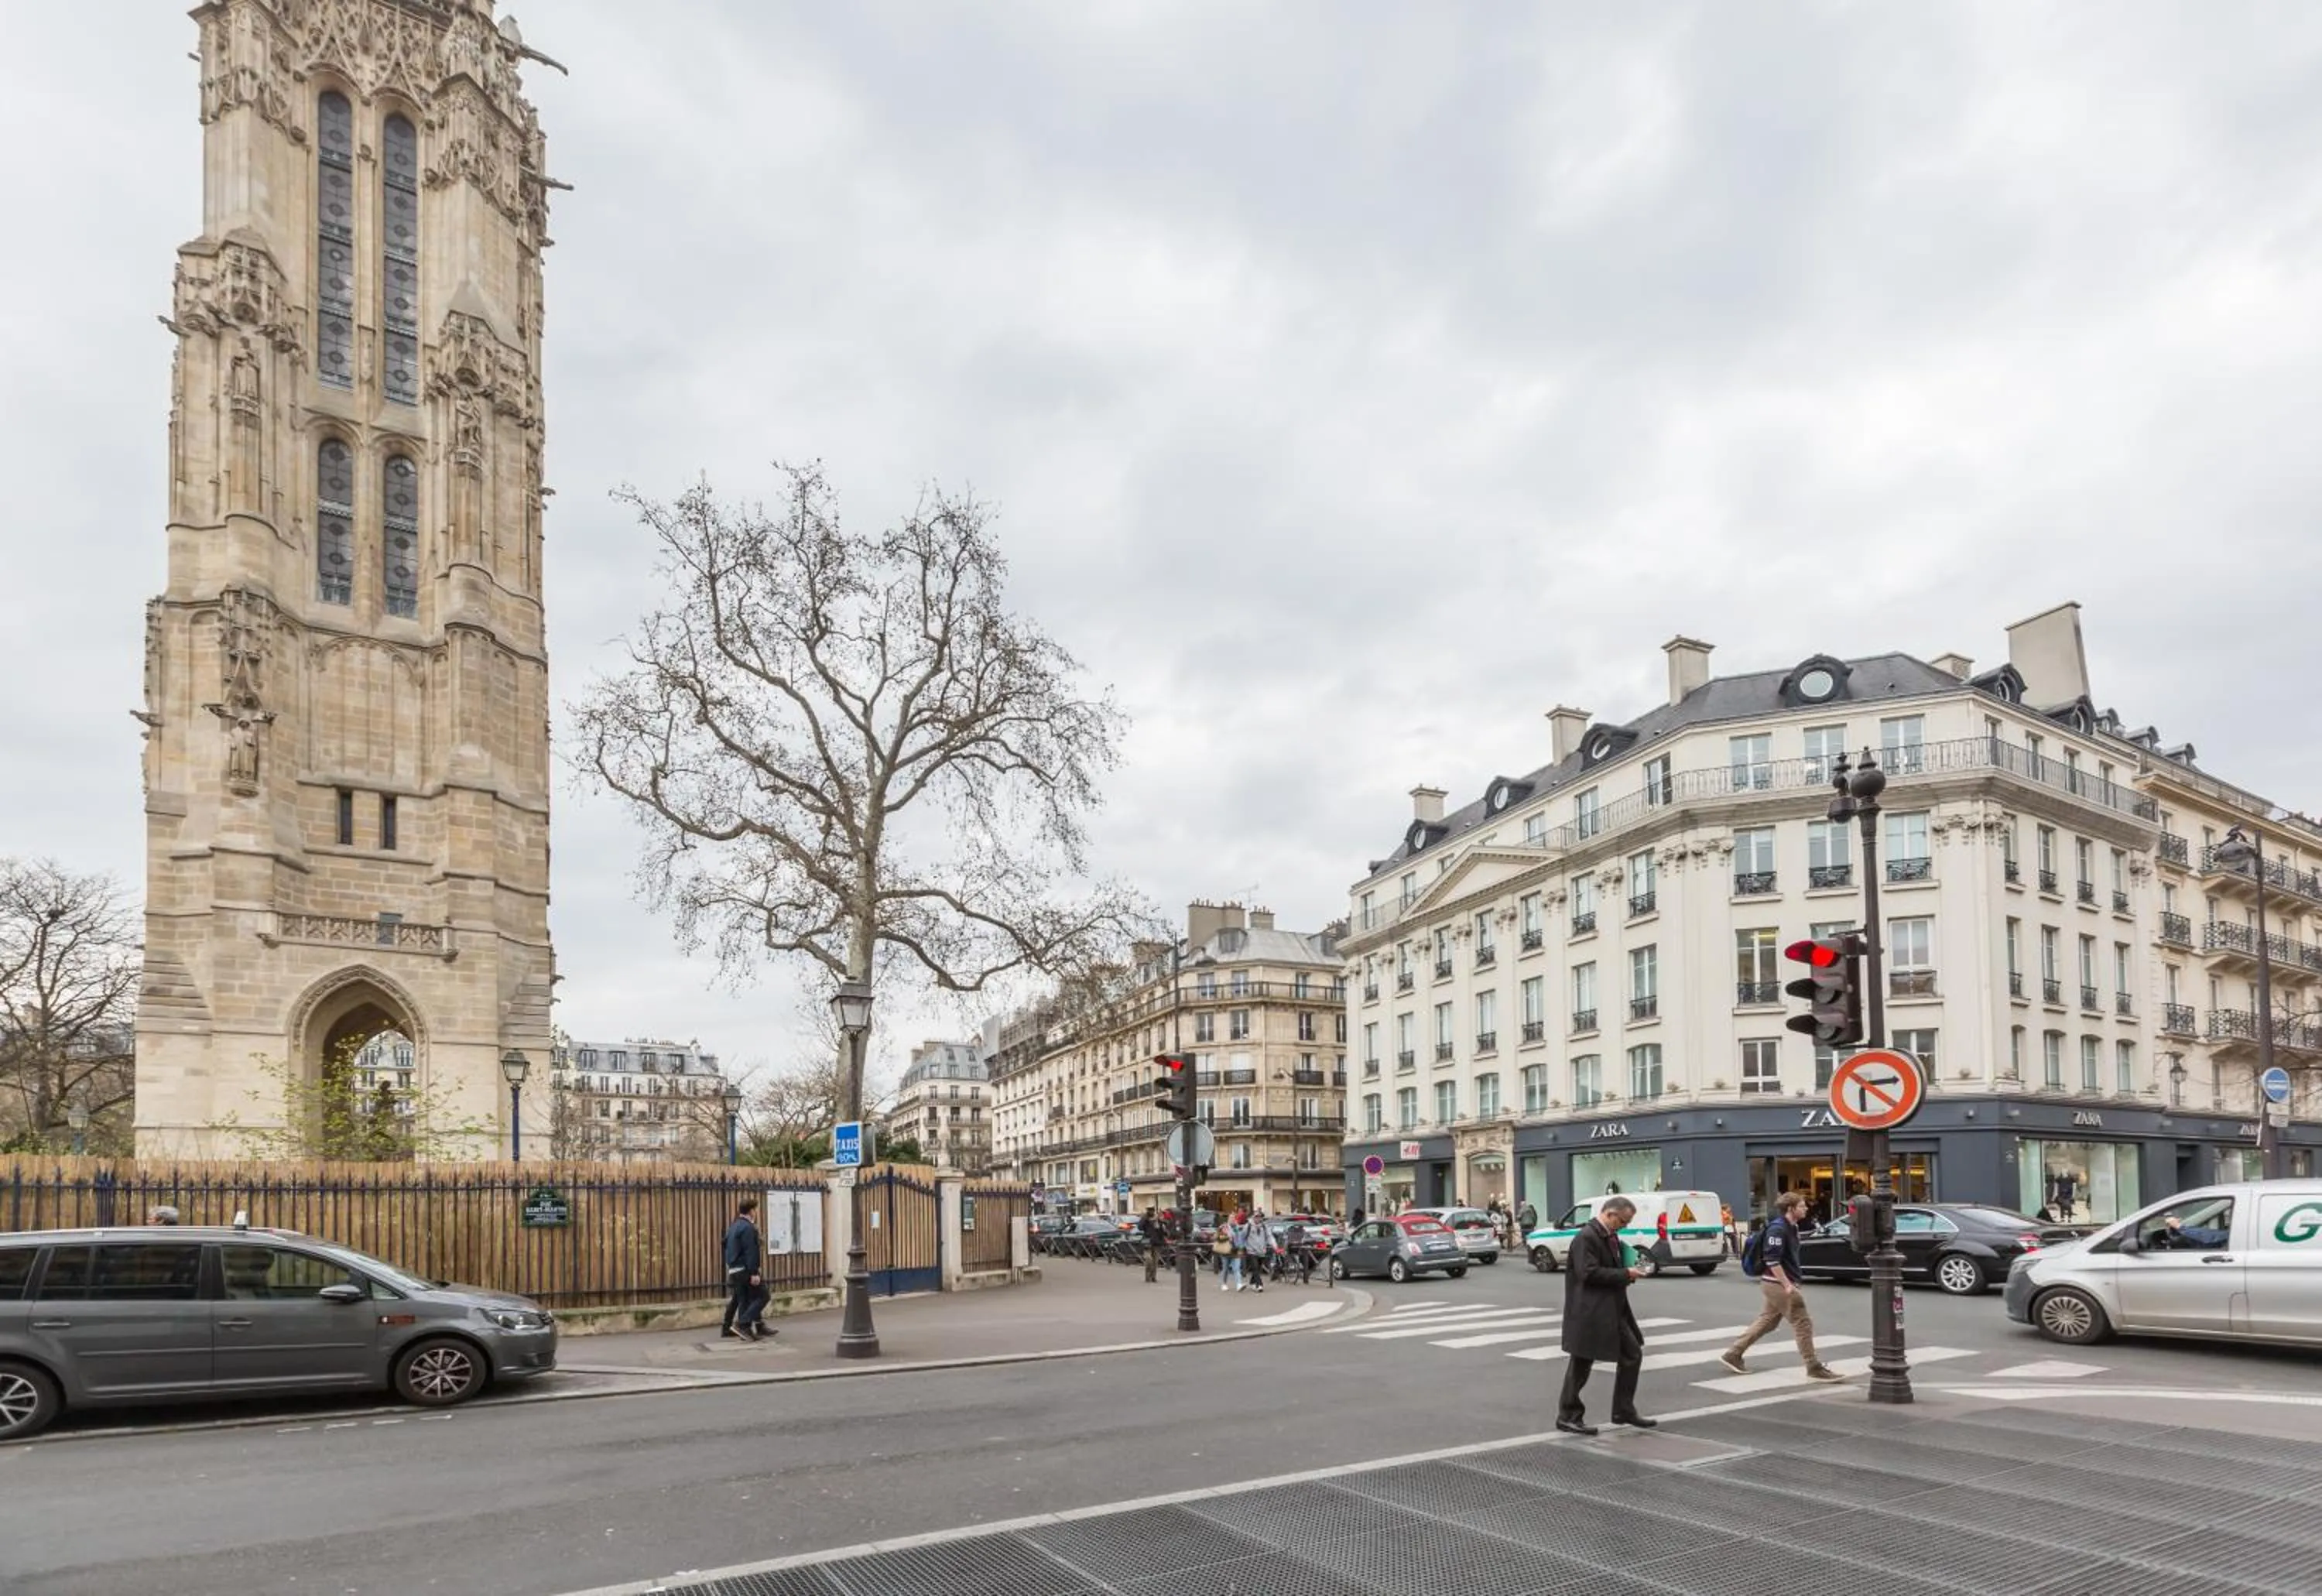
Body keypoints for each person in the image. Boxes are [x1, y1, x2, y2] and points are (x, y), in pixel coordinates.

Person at [1556, 1196, 1656, 1436]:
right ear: (1610, 1214)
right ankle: (1568, 1416)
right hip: (1590, 1311)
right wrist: (1625, 1273)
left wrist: (1629, 1272)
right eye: (1623, 1221)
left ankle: (1623, 1409)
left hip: (1610, 1308)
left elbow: (1606, 1270)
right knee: (1581, 1362)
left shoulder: (1608, 1235)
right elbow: (1588, 1273)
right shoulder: (1587, 1237)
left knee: (1632, 1354)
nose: (1624, 1225)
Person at [1719, 1192, 1843, 1382]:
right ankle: (1813, 1367)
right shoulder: (1778, 1230)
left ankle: (1733, 1354)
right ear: (1791, 1209)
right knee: (1803, 1323)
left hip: (1777, 1283)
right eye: (1802, 1206)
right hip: (1777, 1284)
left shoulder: (1791, 1227)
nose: (1806, 1209)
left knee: (1768, 1322)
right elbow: (1772, 1260)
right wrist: (1787, 1285)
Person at [721, 1197, 771, 1341]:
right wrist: (754, 1272)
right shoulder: (749, 1228)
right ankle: (742, 1324)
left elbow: (725, 1243)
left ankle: (745, 1330)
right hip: (745, 1269)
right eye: (755, 1209)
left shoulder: (734, 1226)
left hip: (734, 1268)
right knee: (763, 1296)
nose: (756, 1212)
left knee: (744, 1300)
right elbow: (751, 1251)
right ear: (751, 1211)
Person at [1241, 1207, 1274, 1292]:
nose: (1258, 1218)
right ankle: (1259, 1285)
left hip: (1262, 1251)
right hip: (1251, 1251)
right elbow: (1242, 1237)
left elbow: (1270, 1237)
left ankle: (1252, 1282)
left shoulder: (1264, 1226)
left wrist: (1275, 1246)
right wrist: (1242, 1247)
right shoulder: (1248, 1226)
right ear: (1253, 1217)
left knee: (1258, 1268)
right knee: (1255, 1267)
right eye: (1256, 1217)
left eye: (1260, 1217)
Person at [1139, 1206, 1161, 1283]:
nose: (1151, 1212)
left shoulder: (1157, 1218)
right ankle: (1148, 1277)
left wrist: (1160, 1221)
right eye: (1149, 1210)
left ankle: (1154, 1277)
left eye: (1152, 1210)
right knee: (1149, 1260)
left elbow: (1161, 1229)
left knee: (1155, 1261)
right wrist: (1145, 1219)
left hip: (1156, 1242)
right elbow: (1140, 1227)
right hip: (1147, 1242)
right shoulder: (1145, 1218)